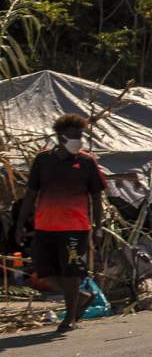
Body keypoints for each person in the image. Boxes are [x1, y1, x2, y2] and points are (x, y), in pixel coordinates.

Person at [15, 114, 106, 333]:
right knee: (43, 270)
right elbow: (30, 194)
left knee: (71, 272)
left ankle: (70, 318)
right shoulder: (42, 160)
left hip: (75, 227)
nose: (79, 140)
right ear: (61, 137)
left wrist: (98, 227)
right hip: (45, 226)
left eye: (81, 136)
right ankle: (82, 297)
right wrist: (19, 225)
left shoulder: (86, 162)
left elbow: (96, 197)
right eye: (75, 136)